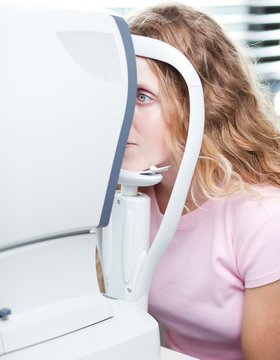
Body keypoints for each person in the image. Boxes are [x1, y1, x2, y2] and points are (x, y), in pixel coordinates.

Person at [121, 2, 280, 360]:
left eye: (142, 96)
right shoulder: (131, 196)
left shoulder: (264, 219)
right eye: (121, 93)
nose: (121, 114)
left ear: (200, 106)